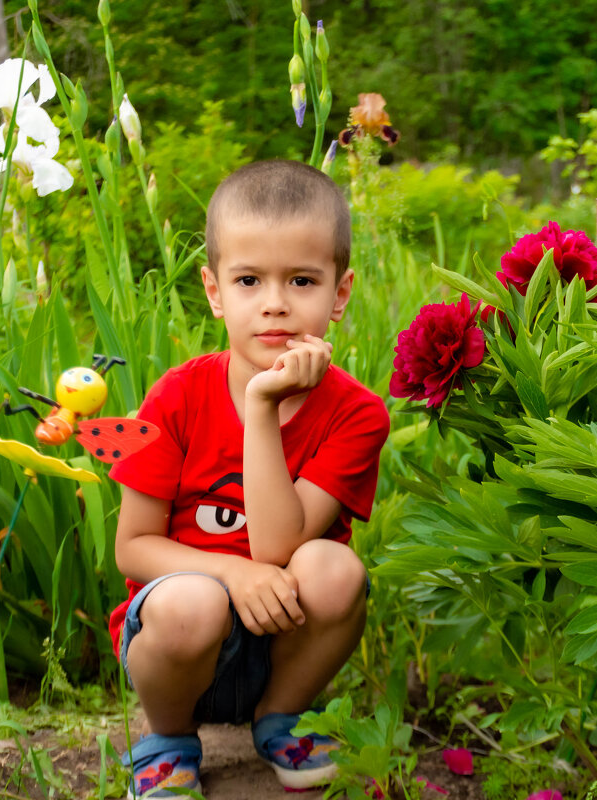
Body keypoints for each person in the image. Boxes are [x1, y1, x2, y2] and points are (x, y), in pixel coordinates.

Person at [107, 159, 390, 798]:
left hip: (283, 636)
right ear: (214, 292)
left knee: (338, 570)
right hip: (179, 641)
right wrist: (232, 574)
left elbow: (278, 551)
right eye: (248, 279)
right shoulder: (176, 398)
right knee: (192, 602)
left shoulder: (357, 414)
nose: (275, 305)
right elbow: (133, 547)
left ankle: (278, 720)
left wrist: (260, 408)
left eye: (301, 280)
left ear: (339, 294)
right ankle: (168, 742)